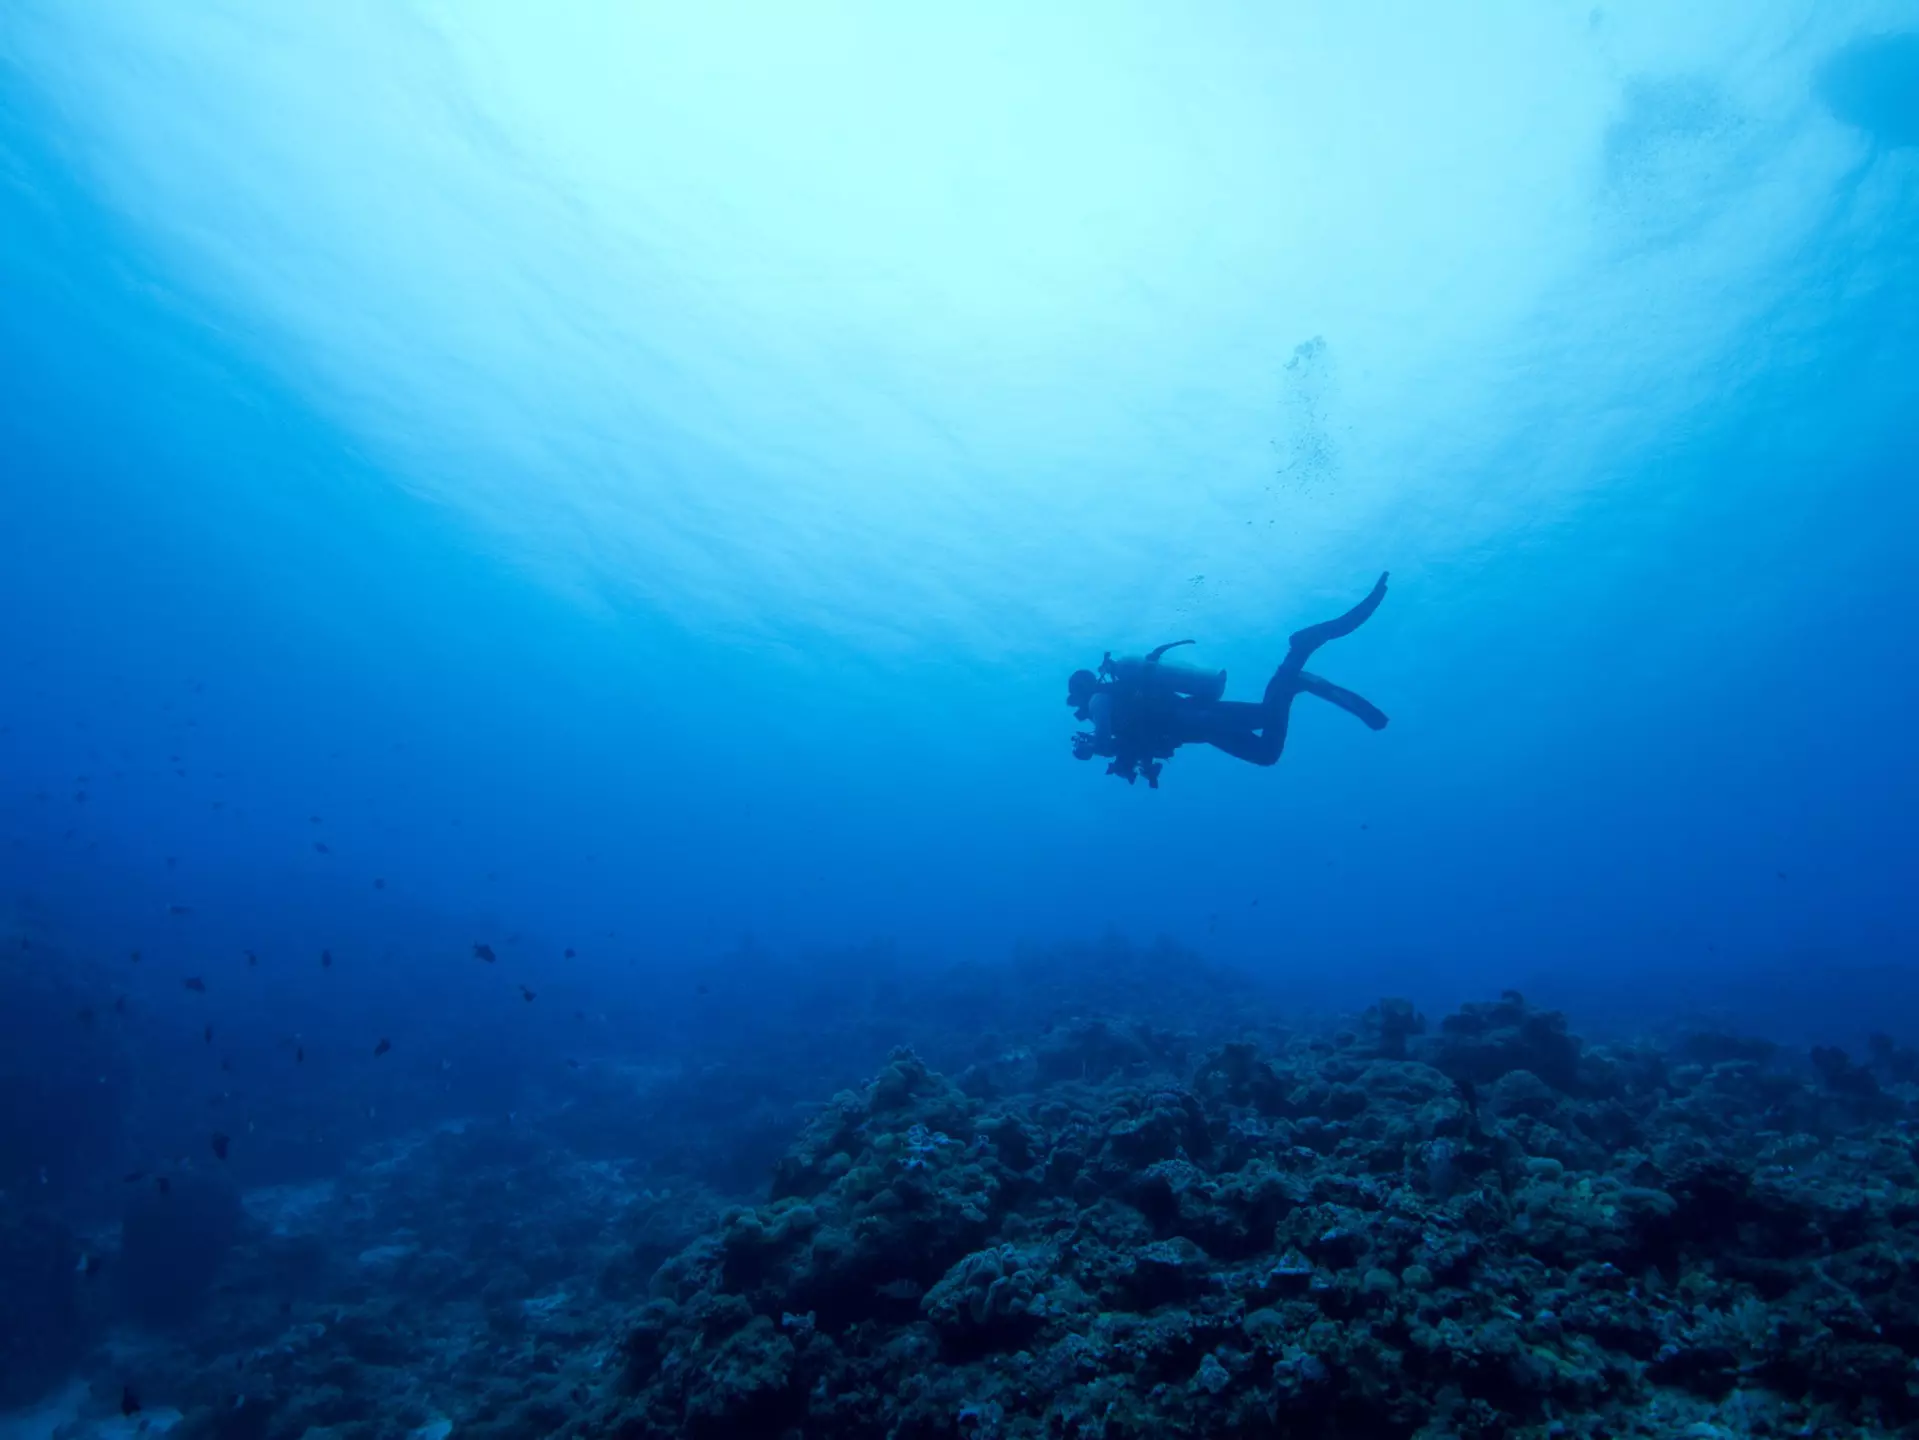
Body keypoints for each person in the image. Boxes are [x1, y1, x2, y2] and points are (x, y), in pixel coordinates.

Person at [1068, 572, 1390, 786]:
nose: (1078, 707)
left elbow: (1106, 738)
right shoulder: (1113, 699)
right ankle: (1293, 677)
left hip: (1196, 719)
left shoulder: (1099, 700)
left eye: (1076, 700)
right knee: (1266, 753)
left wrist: (1091, 747)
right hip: (1199, 724)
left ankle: (1297, 658)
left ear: (1083, 690)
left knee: (1267, 721)